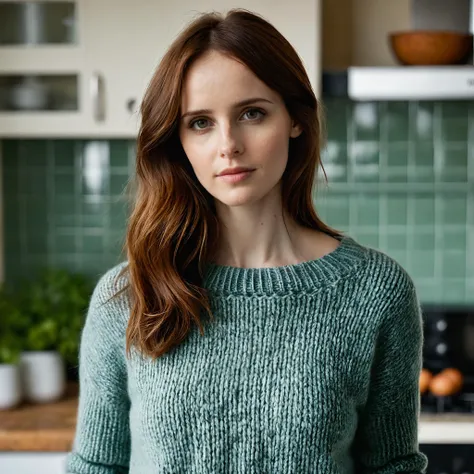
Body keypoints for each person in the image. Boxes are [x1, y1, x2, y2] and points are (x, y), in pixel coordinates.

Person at [66, 9, 428, 474]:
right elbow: (96, 466)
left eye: (252, 113)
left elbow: (392, 467)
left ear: (295, 119)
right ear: (178, 140)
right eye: (200, 122)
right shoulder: (129, 295)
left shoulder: (376, 293)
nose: (228, 144)